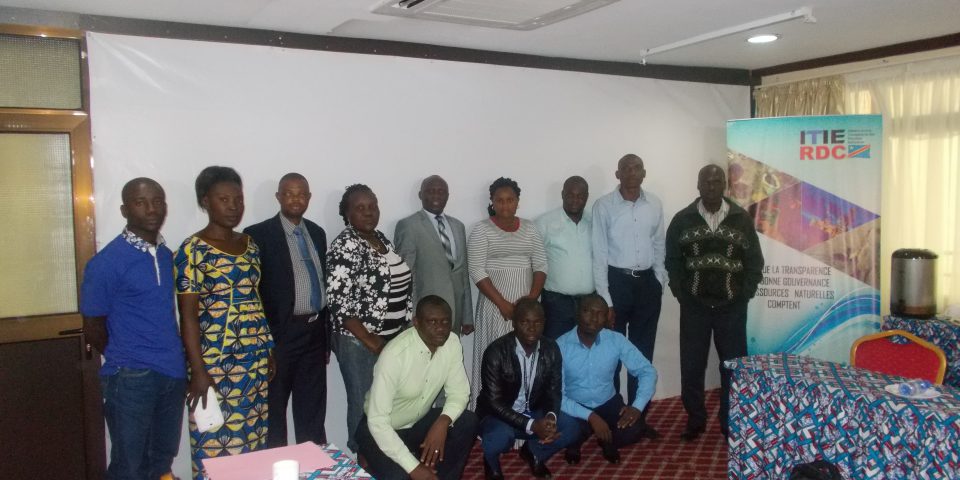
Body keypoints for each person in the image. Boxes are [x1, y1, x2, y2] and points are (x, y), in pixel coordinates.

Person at [80, 178, 186, 480]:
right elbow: (93, 326)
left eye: (157, 201)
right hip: (131, 378)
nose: (151, 209)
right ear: (125, 210)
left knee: (161, 460)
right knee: (129, 466)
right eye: (141, 202)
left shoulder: (166, 255)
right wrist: (126, 357)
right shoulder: (106, 262)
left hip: (172, 373)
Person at [175, 166, 275, 478]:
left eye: (238, 199)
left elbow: (254, 300)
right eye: (224, 199)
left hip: (254, 358)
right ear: (206, 202)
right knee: (215, 441)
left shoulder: (250, 245)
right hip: (215, 362)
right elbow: (187, 316)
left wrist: (268, 349)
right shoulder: (191, 250)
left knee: (253, 437)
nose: (234, 206)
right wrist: (198, 370)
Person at [665, 164, 764, 441]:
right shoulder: (682, 220)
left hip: (731, 308)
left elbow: (754, 262)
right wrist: (681, 293)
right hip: (694, 307)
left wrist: (744, 294)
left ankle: (729, 420)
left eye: (717, 181)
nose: (711, 186)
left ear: (725, 185)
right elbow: (672, 261)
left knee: (732, 367)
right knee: (692, 366)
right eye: (706, 182)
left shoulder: (741, 219)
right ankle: (695, 419)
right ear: (698, 185)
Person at [243, 172, 329, 447]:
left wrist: (327, 338)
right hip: (279, 337)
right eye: (289, 194)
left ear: (309, 198)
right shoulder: (257, 235)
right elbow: (252, 292)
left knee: (312, 412)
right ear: (278, 197)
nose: (296, 199)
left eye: (301, 194)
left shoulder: (317, 233)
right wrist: (263, 341)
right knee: (273, 412)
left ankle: (315, 466)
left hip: (314, 334)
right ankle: (275, 465)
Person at [327, 183, 413, 453]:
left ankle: (383, 457)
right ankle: (361, 456)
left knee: (386, 403)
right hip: (359, 341)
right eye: (360, 208)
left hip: (392, 337)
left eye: (372, 206)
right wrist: (370, 340)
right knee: (362, 402)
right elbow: (338, 302)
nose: (368, 212)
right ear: (347, 214)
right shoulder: (345, 245)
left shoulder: (382, 240)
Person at [356, 296, 478, 480]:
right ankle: (372, 462)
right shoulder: (395, 355)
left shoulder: (452, 343)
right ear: (416, 323)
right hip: (380, 431)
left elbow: (460, 393)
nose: (440, 328)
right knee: (402, 476)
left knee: (467, 421)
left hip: (416, 425)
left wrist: (443, 421)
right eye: (432, 322)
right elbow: (377, 421)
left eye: (445, 322)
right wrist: (413, 468)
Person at [591, 153, 665, 437]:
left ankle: (638, 418)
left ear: (644, 173)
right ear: (618, 174)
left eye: (637, 168)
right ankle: (612, 419)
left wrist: (659, 280)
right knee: (611, 356)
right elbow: (599, 253)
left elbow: (659, 244)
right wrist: (606, 300)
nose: (632, 173)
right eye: (626, 168)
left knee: (642, 356)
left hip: (647, 285)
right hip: (616, 283)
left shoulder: (654, 204)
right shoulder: (603, 206)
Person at [476, 298, 579, 479]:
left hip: (534, 411)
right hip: (500, 416)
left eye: (537, 322)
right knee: (498, 438)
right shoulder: (496, 352)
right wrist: (532, 425)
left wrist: (550, 417)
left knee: (571, 428)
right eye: (525, 322)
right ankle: (491, 462)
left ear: (544, 323)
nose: (532, 328)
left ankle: (533, 452)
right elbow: (494, 403)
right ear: (514, 323)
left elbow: (554, 391)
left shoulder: (551, 349)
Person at [468, 177, 548, 407]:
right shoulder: (481, 229)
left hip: (527, 309)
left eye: (510, 200)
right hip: (495, 308)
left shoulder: (530, 228)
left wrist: (530, 301)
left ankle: (522, 412)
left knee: (523, 360)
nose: (505, 205)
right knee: (495, 360)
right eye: (499, 200)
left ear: (517, 202)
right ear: (492, 202)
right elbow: (476, 269)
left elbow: (541, 264)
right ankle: (488, 413)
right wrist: (502, 304)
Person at [558, 294, 658, 465]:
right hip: (575, 405)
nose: (593, 318)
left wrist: (637, 406)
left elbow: (647, 371)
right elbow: (556, 395)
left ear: (606, 318)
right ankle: (577, 440)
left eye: (600, 313)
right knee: (564, 429)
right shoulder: (560, 345)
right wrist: (591, 416)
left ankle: (606, 441)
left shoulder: (616, 340)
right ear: (577, 313)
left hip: (608, 402)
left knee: (635, 429)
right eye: (588, 311)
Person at [394, 175, 473, 335]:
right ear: (420, 195)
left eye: (441, 191)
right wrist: (411, 315)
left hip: (455, 312)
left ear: (447, 196)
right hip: (426, 313)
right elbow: (406, 276)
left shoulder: (458, 226)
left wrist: (467, 316)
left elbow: (463, 273)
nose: (436, 195)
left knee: (451, 350)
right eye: (430, 191)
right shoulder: (408, 226)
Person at [535, 176, 593, 339]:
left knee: (586, 348)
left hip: (590, 303)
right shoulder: (544, 223)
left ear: (587, 197)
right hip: (556, 303)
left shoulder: (595, 222)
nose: (575, 200)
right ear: (562, 194)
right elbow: (534, 261)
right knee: (555, 347)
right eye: (570, 195)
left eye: (580, 196)